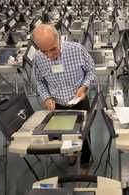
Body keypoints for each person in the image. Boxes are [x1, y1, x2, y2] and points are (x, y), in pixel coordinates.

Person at [32, 24, 96, 174]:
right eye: (44, 51)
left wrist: (84, 86)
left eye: (53, 49)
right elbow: (39, 81)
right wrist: (46, 97)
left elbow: (91, 71)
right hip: (58, 105)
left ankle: (85, 161)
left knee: (84, 135)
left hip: (79, 101)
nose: (50, 56)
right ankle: (71, 154)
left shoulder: (77, 50)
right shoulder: (38, 58)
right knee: (63, 134)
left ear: (59, 38)